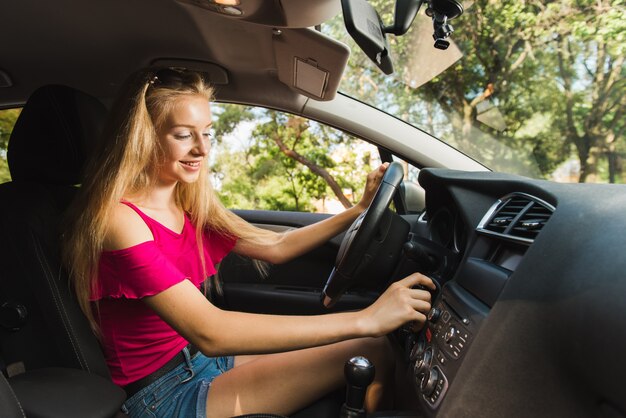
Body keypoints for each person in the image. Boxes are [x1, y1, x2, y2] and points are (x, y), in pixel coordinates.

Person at [63, 69, 435, 418]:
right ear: (144, 137)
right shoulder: (118, 219)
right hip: (161, 395)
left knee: (371, 350)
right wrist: (366, 319)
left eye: (207, 133)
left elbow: (276, 247)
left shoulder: (188, 205)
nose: (202, 149)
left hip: (200, 363)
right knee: (371, 348)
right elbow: (212, 331)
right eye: (183, 135)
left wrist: (358, 210)